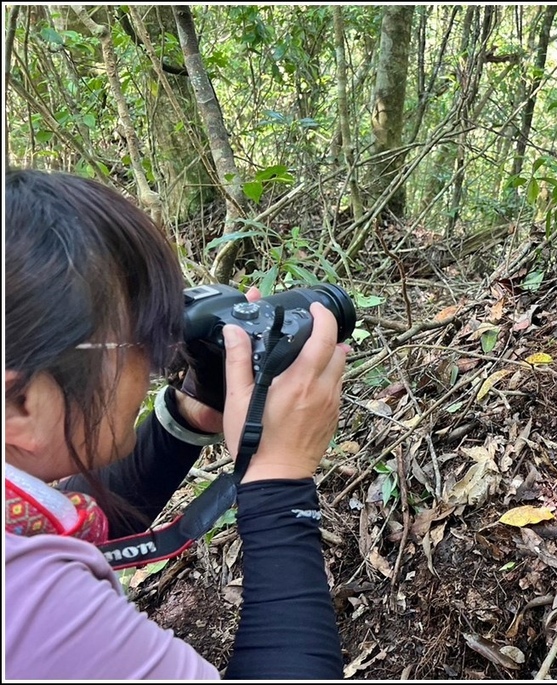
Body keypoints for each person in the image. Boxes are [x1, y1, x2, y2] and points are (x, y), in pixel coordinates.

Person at [4, 168, 349, 679]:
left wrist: (189, 415)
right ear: (20, 404)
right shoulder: (28, 598)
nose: (155, 362)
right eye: (137, 342)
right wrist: (279, 478)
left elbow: (57, 534)